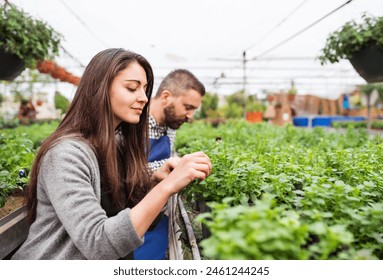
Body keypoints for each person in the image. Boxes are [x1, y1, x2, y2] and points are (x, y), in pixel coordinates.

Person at [12, 48, 211, 260]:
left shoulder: (119, 144)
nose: (144, 98)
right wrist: (166, 187)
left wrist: (155, 183)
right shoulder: (65, 155)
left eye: (144, 89)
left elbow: (130, 217)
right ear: (100, 88)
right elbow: (98, 244)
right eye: (132, 88)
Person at [134, 69, 206, 260]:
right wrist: (164, 170)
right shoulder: (134, 123)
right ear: (166, 97)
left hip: (159, 216)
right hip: (133, 217)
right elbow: (121, 173)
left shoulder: (170, 125)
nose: (190, 116)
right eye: (188, 107)